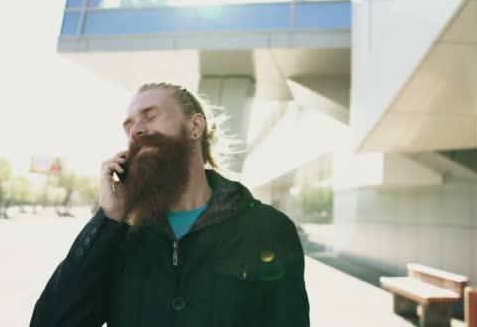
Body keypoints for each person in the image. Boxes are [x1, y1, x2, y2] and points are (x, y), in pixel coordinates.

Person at [29, 83, 310, 327]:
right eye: (128, 126)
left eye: (150, 116)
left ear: (195, 126)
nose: (136, 130)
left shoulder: (268, 229)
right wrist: (108, 219)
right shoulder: (121, 235)